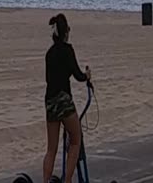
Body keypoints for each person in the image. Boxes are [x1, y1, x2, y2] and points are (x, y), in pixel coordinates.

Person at [43, 13, 91, 183]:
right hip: (64, 100)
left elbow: (49, 79)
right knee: (76, 140)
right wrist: (87, 76)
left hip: (50, 101)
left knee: (51, 149)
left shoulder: (49, 54)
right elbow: (77, 75)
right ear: (65, 32)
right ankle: (68, 180)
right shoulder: (67, 50)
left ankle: (46, 180)